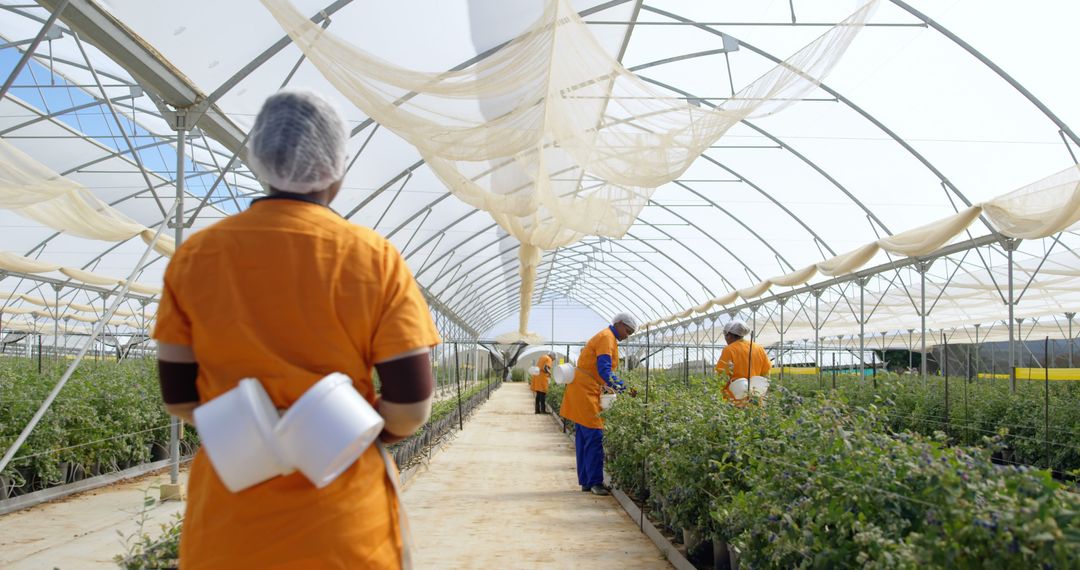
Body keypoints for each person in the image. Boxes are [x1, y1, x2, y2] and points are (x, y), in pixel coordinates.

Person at [153, 89, 440, 569]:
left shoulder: (196, 257)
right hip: (343, 521)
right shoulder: (373, 257)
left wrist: (255, 433)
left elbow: (179, 397)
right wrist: (351, 432)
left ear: (260, 159)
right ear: (336, 169)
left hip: (230, 512)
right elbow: (410, 407)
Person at [559, 313, 635, 495]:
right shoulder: (606, 338)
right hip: (585, 392)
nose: (627, 335)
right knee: (594, 437)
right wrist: (623, 388)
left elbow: (600, 371)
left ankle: (586, 481)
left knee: (584, 438)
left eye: (630, 333)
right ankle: (594, 482)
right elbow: (604, 369)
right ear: (619, 324)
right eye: (627, 330)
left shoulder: (607, 337)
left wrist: (610, 386)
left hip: (583, 390)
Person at [714, 319, 772, 404]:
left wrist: (718, 395)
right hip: (755, 397)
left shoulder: (729, 350)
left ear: (729, 335)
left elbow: (721, 376)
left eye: (725, 336)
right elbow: (766, 374)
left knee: (738, 416)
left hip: (735, 398)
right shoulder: (759, 348)